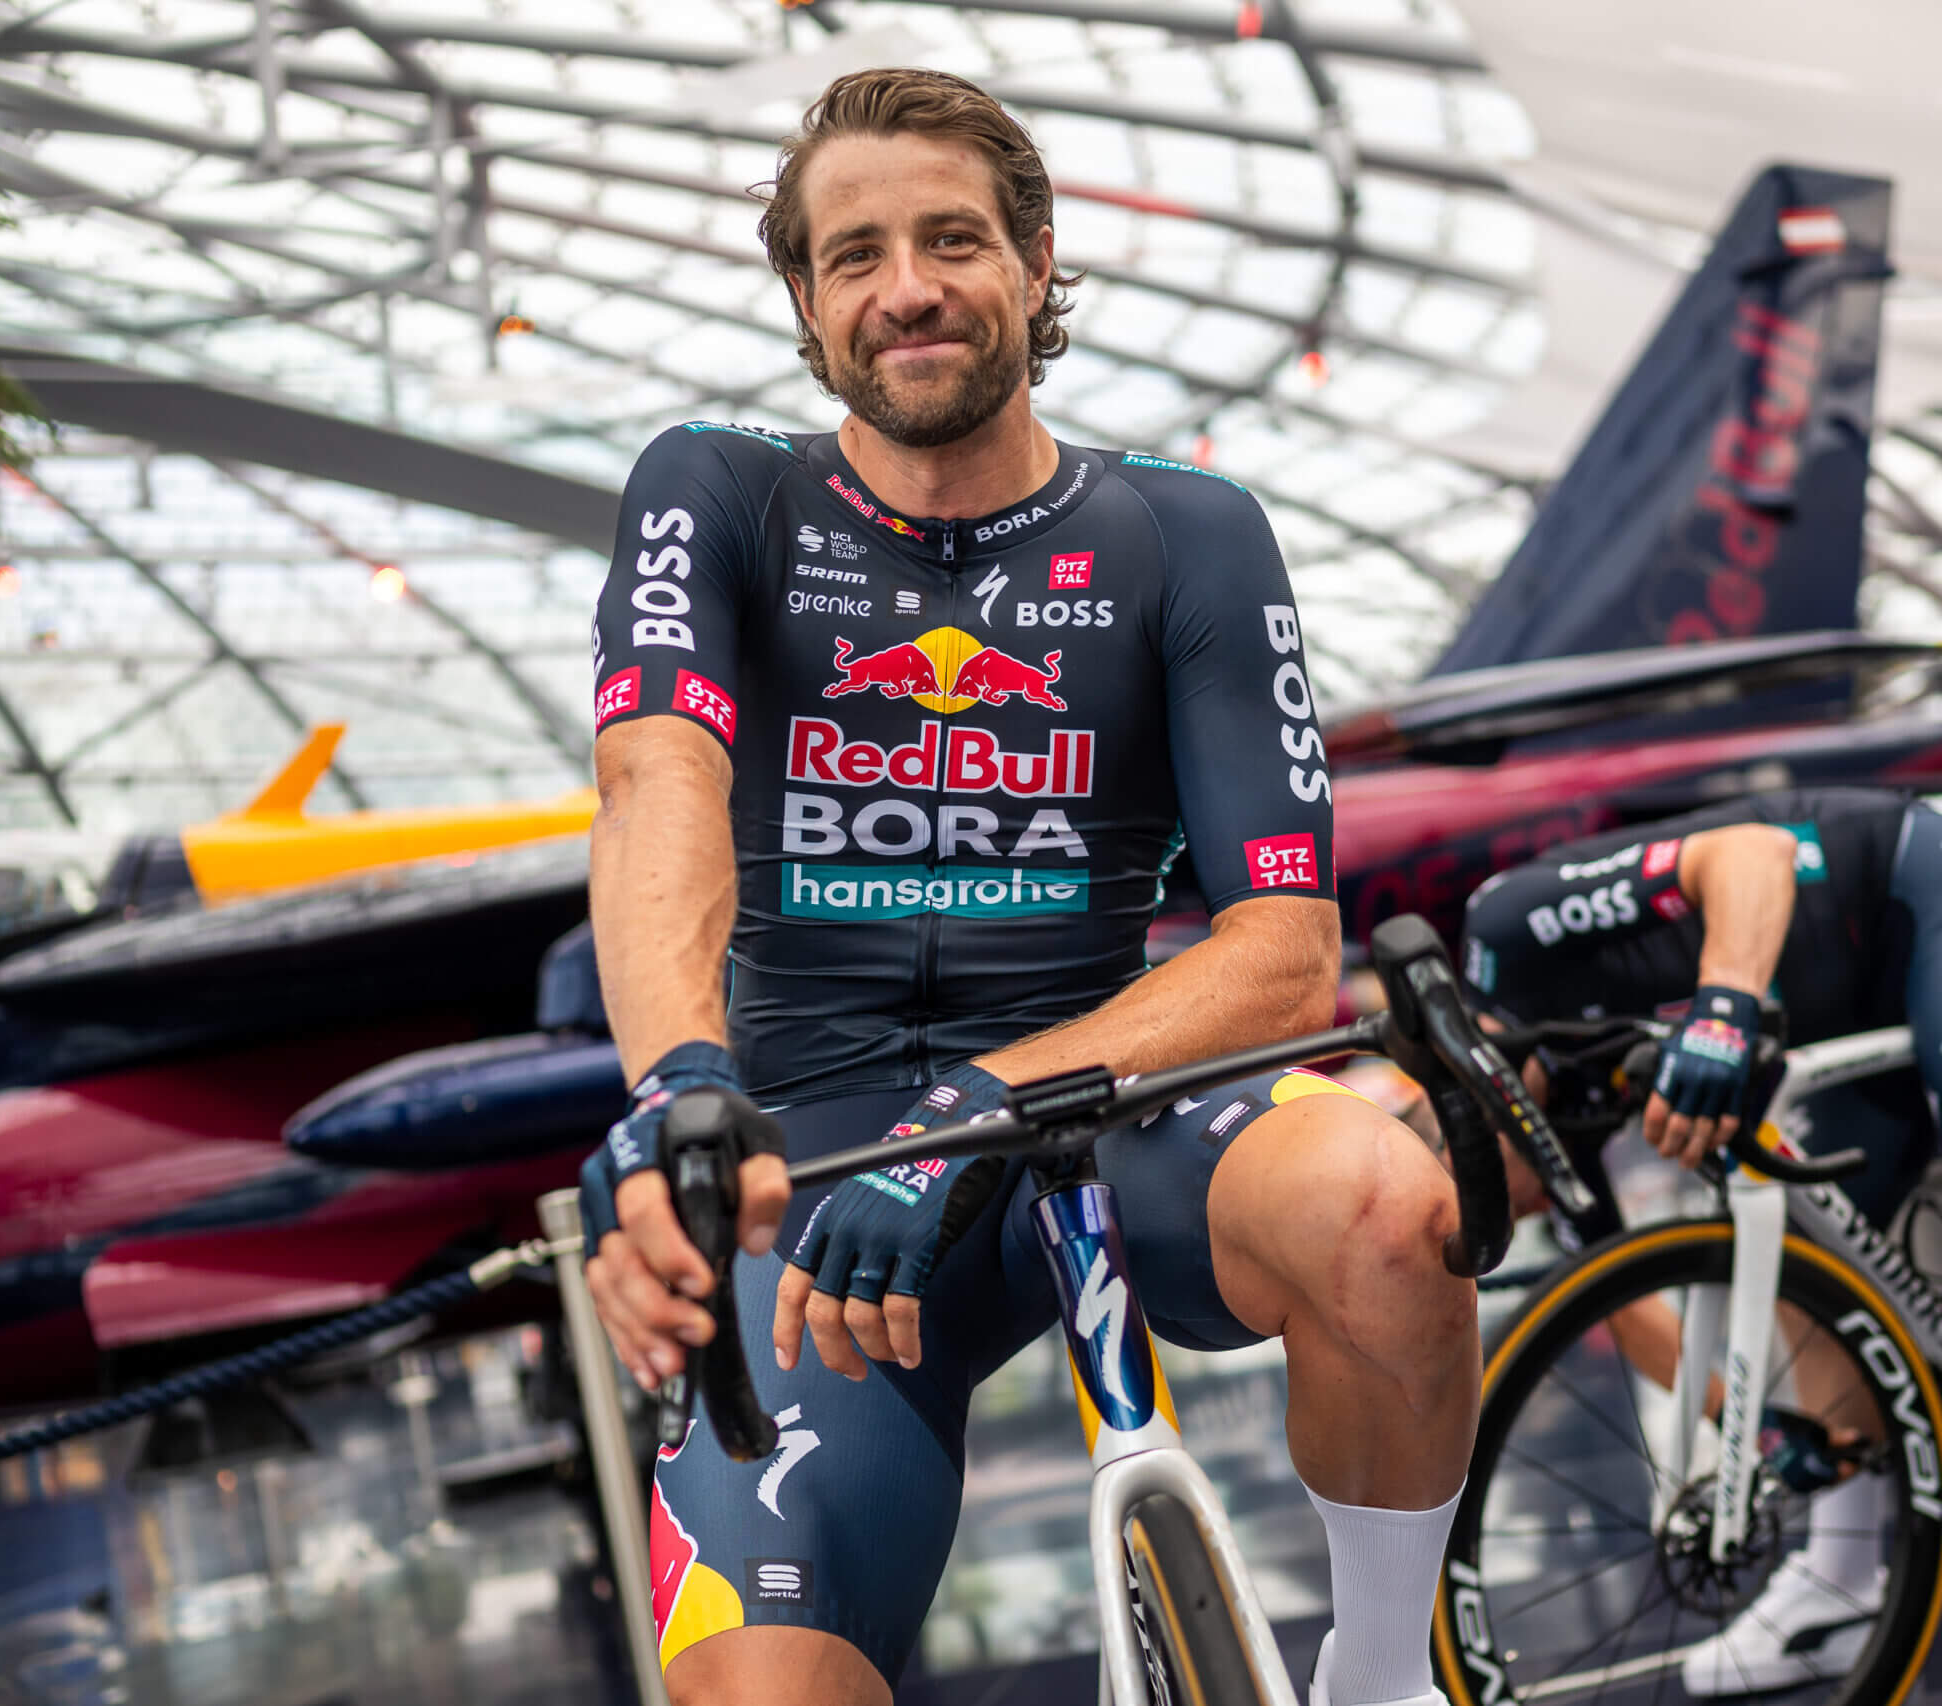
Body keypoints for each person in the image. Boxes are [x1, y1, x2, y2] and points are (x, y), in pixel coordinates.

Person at [577, 66, 1477, 1706]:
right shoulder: (717, 490)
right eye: (854, 255)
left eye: (952, 240)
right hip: (820, 1169)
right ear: (805, 297)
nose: (906, 288)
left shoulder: (1188, 532)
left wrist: (977, 1107)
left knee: (1386, 1201)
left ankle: (1383, 1680)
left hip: (1105, 1117)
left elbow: (1286, 956)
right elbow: (656, 784)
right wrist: (678, 1088)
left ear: (1037, 260)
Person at [1461, 785, 1942, 1696]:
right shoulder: (1537, 1139)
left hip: (1937, 900)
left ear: (1463, 1107)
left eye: (1490, 1198)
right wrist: (1760, 1429)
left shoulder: (1509, 927)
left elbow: (1750, 854)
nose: (1516, 1211)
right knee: (1816, 1261)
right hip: (1832, 1002)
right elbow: (1631, 1320)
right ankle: (1841, 1584)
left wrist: (1723, 1013)